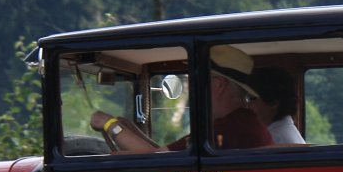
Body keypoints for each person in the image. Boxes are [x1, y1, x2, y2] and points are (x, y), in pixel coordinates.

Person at [91, 45, 272, 152]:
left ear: (219, 84)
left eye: (199, 79)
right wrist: (132, 132)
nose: (193, 87)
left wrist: (109, 124)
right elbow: (170, 155)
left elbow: (159, 160)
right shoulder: (236, 123)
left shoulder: (231, 128)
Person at [248, 66, 306, 145]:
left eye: (251, 98)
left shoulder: (273, 139)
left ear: (273, 102)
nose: (247, 105)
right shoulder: (286, 131)